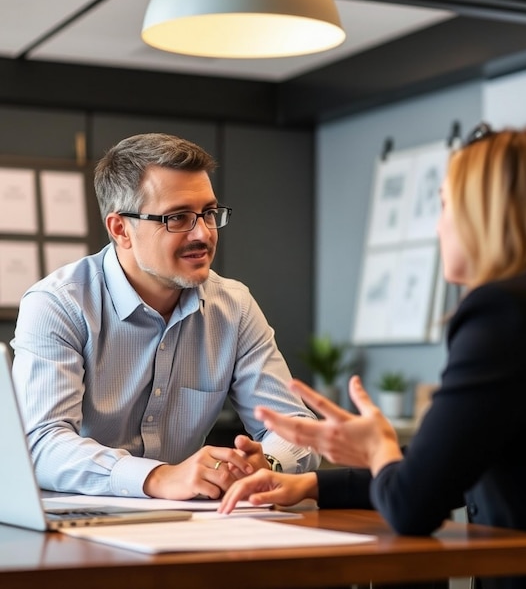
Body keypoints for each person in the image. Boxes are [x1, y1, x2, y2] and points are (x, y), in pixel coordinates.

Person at [219, 124, 526, 588]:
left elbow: (415, 504)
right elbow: (454, 461)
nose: (438, 225)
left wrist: (377, 447)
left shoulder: (508, 312)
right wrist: (312, 485)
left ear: (487, 214)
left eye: (445, 204)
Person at [11, 132, 319, 500]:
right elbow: (40, 444)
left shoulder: (233, 306)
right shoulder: (58, 304)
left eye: (208, 213)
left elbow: (296, 430)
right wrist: (158, 477)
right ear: (120, 229)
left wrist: (266, 464)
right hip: (79, 523)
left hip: (188, 519)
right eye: (178, 218)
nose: (203, 234)